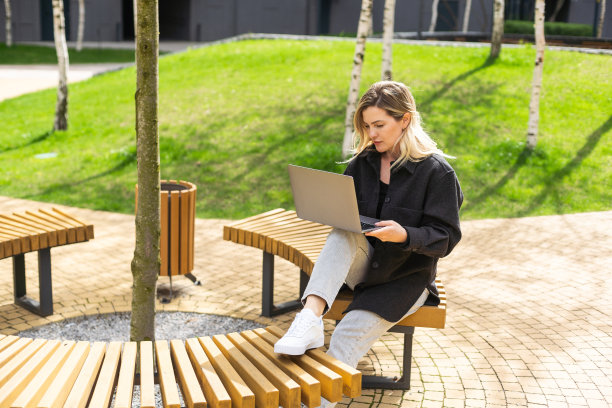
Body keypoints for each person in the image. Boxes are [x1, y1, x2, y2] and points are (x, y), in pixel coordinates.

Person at [274, 81, 463, 405]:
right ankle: (309, 320)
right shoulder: (362, 163)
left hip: (403, 280)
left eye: (379, 125)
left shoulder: (437, 173)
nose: (371, 133)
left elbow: (445, 239)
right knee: (344, 230)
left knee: (347, 336)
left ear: (405, 119)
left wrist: (404, 234)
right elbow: (347, 218)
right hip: (362, 267)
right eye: (366, 126)